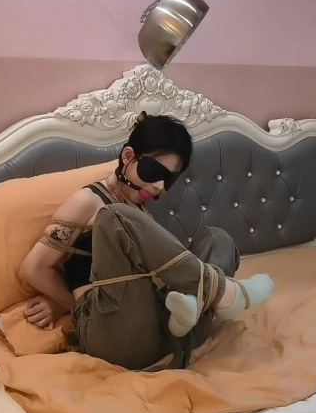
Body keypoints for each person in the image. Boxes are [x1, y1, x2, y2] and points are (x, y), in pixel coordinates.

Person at [19, 112, 274, 370]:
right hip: (110, 332)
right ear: (128, 156)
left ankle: (190, 311)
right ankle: (219, 292)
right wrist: (67, 305)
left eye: (169, 179)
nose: (159, 187)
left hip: (154, 323)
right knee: (114, 215)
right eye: (154, 172)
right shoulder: (89, 201)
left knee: (217, 239)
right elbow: (33, 269)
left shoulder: (137, 208)